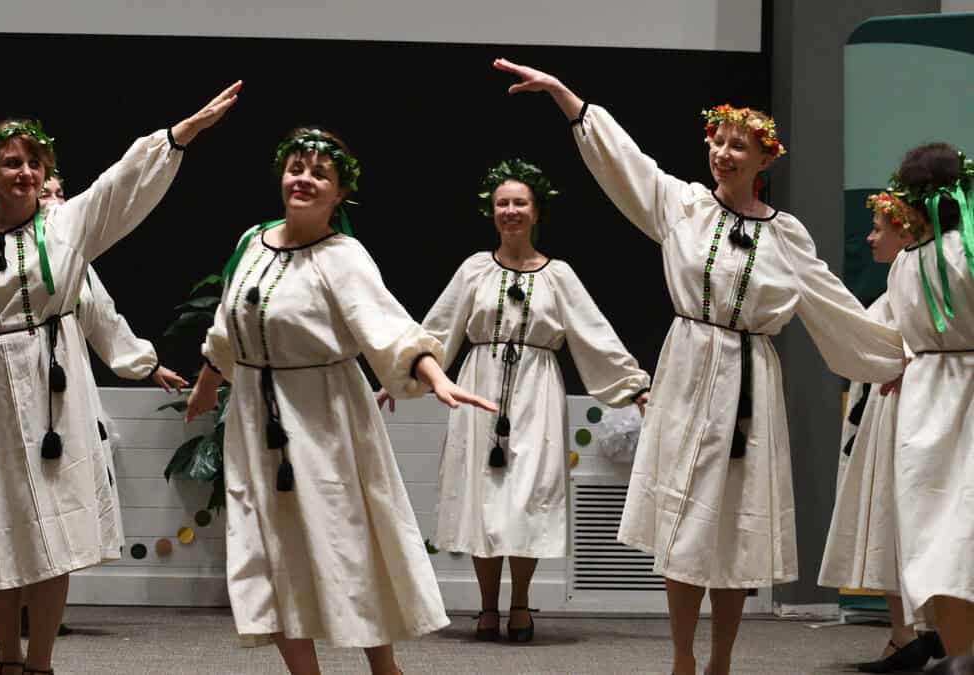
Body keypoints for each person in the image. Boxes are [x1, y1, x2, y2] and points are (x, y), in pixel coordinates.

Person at [492, 59, 906, 675]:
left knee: (733, 536)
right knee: (685, 531)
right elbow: (624, 164)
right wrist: (564, 97)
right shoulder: (682, 207)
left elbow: (831, 304)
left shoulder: (786, 236)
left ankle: (721, 663)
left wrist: (888, 357)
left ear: (766, 159)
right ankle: (683, 659)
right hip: (688, 372)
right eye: (718, 141)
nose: (723, 152)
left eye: (739, 145)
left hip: (750, 386)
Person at [0, 81, 240, 675]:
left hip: (54, 392)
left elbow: (118, 189)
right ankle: (7, 660)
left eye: (34, 162)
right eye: (12, 162)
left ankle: (42, 663)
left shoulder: (64, 228)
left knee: (53, 534)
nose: (24, 171)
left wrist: (180, 135)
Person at [185, 127, 496, 675]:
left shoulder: (343, 255)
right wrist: (209, 380)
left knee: (346, 542)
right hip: (257, 418)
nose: (303, 179)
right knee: (269, 547)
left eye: (319, 173)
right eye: (296, 168)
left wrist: (432, 374)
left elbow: (386, 325)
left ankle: (383, 667)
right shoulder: (251, 241)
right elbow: (228, 323)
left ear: (339, 193)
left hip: (325, 419)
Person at [379, 159, 650, 643]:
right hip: (480, 386)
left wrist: (634, 387)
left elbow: (594, 333)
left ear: (536, 210)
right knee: (483, 500)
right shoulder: (474, 270)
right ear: (491, 211)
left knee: (527, 500)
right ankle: (486, 608)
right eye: (502, 203)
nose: (510, 211)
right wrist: (399, 374)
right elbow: (436, 330)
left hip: (536, 392)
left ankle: (521, 604)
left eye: (519, 202)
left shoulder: (559, 276)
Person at [0, 173, 190, 640]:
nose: (55, 201)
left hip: (59, 404)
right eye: (48, 195)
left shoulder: (67, 253)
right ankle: (13, 626)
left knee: (58, 511)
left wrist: (145, 365)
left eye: (59, 193)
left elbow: (102, 315)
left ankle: (41, 631)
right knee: (7, 507)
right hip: (0, 402)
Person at [818, 192, 944, 672]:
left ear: (905, 231)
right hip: (887, 411)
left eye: (877, 228)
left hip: (907, 412)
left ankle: (919, 634)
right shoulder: (898, 280)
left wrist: (904, 363)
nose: (869, 237)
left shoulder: (920, 275)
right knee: (889, 519)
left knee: (907, 517)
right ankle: (905, 635)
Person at [883, 143, 974, 658]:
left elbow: (887, 337)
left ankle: (960, 659)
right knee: (962, 538)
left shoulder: (904, 265)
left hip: (923, 402)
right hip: (966, 392)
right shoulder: (968, 252)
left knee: (939, 542)